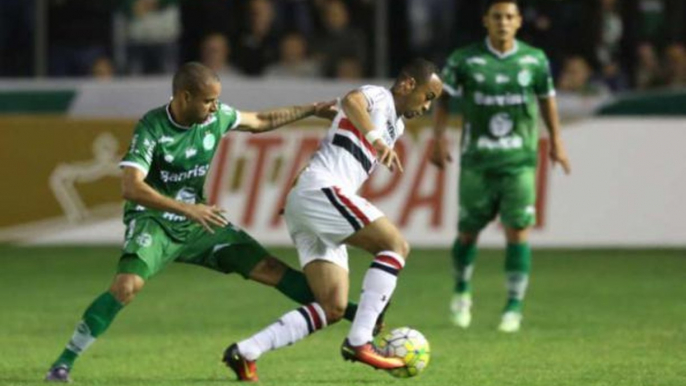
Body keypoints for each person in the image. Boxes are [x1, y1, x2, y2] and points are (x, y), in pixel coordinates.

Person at [44, 62, 376, 382]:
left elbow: (261, 119)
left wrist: (311, 109)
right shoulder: (153, 127)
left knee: (271, 270)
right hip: (154, 221)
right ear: (184, 96)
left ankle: (355, 314)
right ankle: (62, 364)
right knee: (126, 287)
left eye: (217, 99)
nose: (215, 107)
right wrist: (187, 210)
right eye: (208, 100)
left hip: (200, 223)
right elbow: (131, 187)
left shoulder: (215, 118)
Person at [224, 58, 443, 381]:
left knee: (333, 307)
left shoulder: (395, 124)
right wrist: (376, 139)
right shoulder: (379, 96)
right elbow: (353, 100)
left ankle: (246, 351)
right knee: (395, 246)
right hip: (322, 190)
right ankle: (360, 340)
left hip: (311, 201)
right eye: (428, 96)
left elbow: (347, 115)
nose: (427, 106)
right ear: (408, 84)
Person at [431, 0, 571, 333]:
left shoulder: (534, 60)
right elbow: (443, 97)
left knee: (518, 231)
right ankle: (462, 292)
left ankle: (513, 307)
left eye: (510, 17)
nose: (503, 22)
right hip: (477, 162)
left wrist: (557, 142)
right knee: (467, 233)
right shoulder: (463, 59)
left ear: (520, 21)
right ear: (486, 21)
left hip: (520, 162)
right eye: (497, 17)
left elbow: (546, 101)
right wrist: (438, 137)